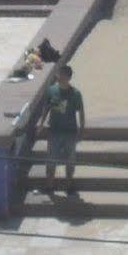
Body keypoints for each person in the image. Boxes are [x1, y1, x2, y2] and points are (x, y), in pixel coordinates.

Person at [43, 62, 85, 197]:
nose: (60, 77)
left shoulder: (76, 94)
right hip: (54, 131)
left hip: (70, 132)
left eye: (62, 75)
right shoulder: (51, 91)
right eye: (59, 74)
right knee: (51, 159)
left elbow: (81, 112)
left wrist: (82, 130)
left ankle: (69, 185)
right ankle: (49, 186)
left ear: (68, 77)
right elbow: (46, 109)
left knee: (70, 160)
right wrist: (40, 124)